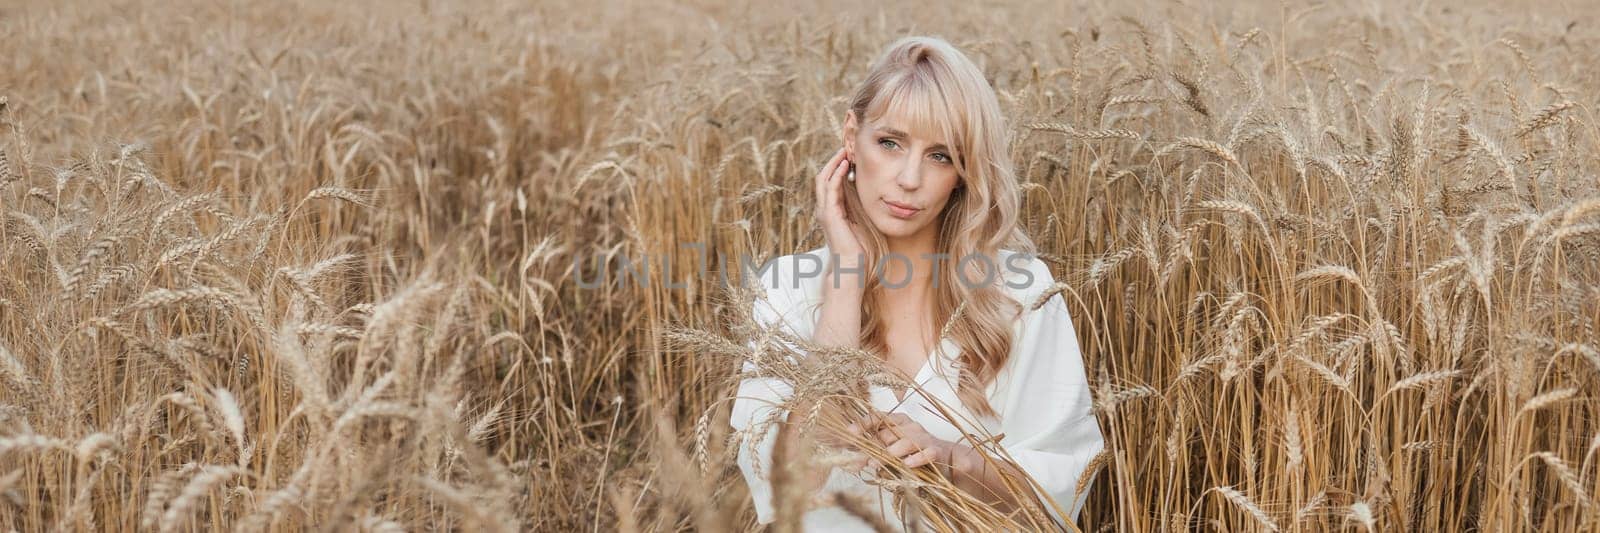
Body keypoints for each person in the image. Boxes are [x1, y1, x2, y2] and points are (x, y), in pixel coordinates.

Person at [727, 35, 1104, 531]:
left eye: (941, 156)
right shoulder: (784, 289)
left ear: (964, 174)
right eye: (890, 143)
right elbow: (786, 485)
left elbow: (1063, 484)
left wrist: (953, 460)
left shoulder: (1021, 292)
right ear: (850, 137)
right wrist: (844, 280)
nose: (909, 178)